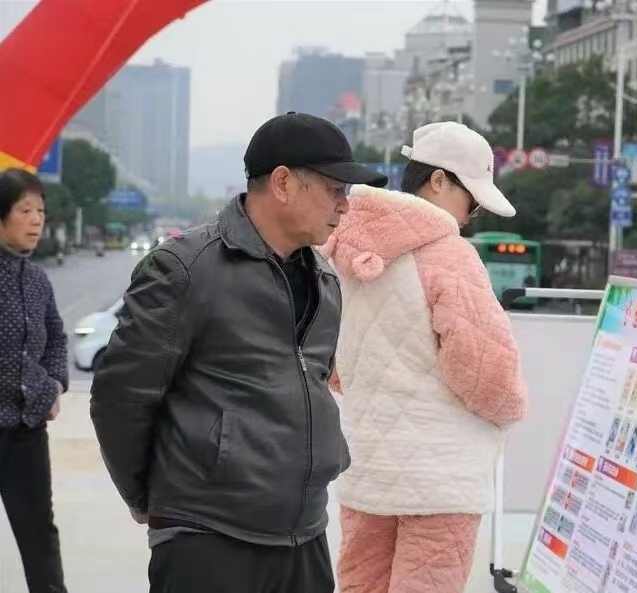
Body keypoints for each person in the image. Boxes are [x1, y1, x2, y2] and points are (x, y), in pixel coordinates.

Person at [89, 112, 387, 593]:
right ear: (283, 183)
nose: (345, 205)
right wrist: (152, 501)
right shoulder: (185, 269)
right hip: (207, 537)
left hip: (304, 536)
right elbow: (120, 399)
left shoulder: (326, 280)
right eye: (335, 188)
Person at [320, 121, 528, 593]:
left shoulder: (340, 249)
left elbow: (327, 360)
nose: (472, 213)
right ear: (438, 180)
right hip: (441, 476)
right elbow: (487, 374)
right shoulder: (449, 255)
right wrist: (511, 411)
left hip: (366, 468)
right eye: (472, 199)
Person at [0, 168, 69, 593]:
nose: (36, 220)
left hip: (26, 431)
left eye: (40, 211)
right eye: (24, 210)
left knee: (39, 534)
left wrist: (55, 385)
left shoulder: (38, 280)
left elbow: (56, 338)